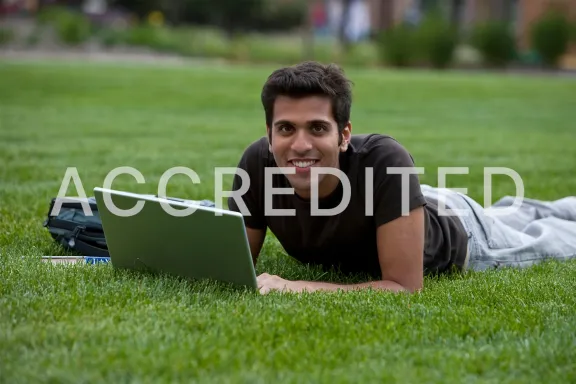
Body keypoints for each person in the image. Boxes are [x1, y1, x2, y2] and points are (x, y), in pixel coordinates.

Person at [226, 61, 576, 295]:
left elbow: (404, 288)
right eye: (286, 128)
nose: (300, 144)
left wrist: (299, 286)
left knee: (554, 238)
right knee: (518, 212)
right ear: (270, 134)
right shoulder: (258, 163)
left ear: (344, 134)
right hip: (412, 203)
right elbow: (236, 267)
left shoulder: (384, 158)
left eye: (317, 128)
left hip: (465, 232)